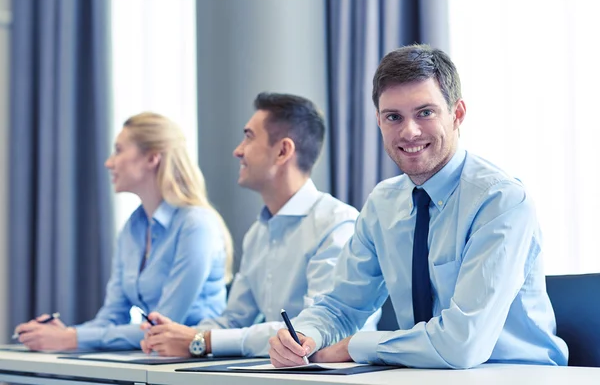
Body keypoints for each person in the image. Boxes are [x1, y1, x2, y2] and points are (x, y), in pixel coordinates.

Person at [268, 45, 569, 369]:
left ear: (457, 114)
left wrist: (356, 345)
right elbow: (342, 306)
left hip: (517, 375)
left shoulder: (501, 201)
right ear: (379, 121)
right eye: (393, 117)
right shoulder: (383, 203)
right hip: (421, 374)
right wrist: (303, 336)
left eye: (425, 112)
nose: (409, 131)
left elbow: (462, 343)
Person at [140, 93, 380, 358]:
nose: (238, 150)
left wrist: (203, 340)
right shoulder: (258, 233)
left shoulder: (337, 224)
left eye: (249, 136)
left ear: (282, 151)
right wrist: (177, 334)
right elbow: (233, 320)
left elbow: (310, 334)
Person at [15, 112, 233, 351]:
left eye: (118, 150)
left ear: (152, 158)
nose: (109, 162)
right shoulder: (133, 228)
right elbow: (112, 316)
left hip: (196, 363)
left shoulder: (196, 225)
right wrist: (63, 333)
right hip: (156, 360)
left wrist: (72, 338)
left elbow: (164, 326)